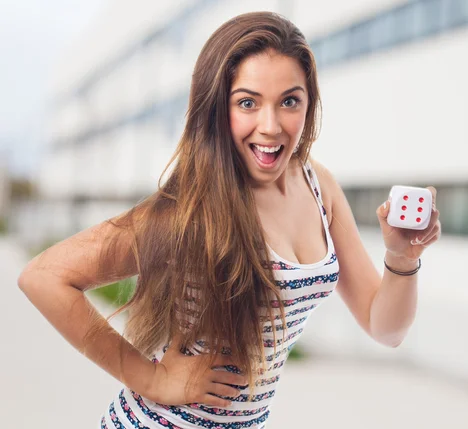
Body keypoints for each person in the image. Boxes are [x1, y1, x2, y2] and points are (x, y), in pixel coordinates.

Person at [17, 11, 441, 429]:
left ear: (309, 102)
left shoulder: (318, 184)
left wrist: (401, 258)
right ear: (217, 107)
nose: (271, 126)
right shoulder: (190, 208)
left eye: (289, 101)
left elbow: (385, 329)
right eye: (247, 103)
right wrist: (151, 379)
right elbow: (44, 277)